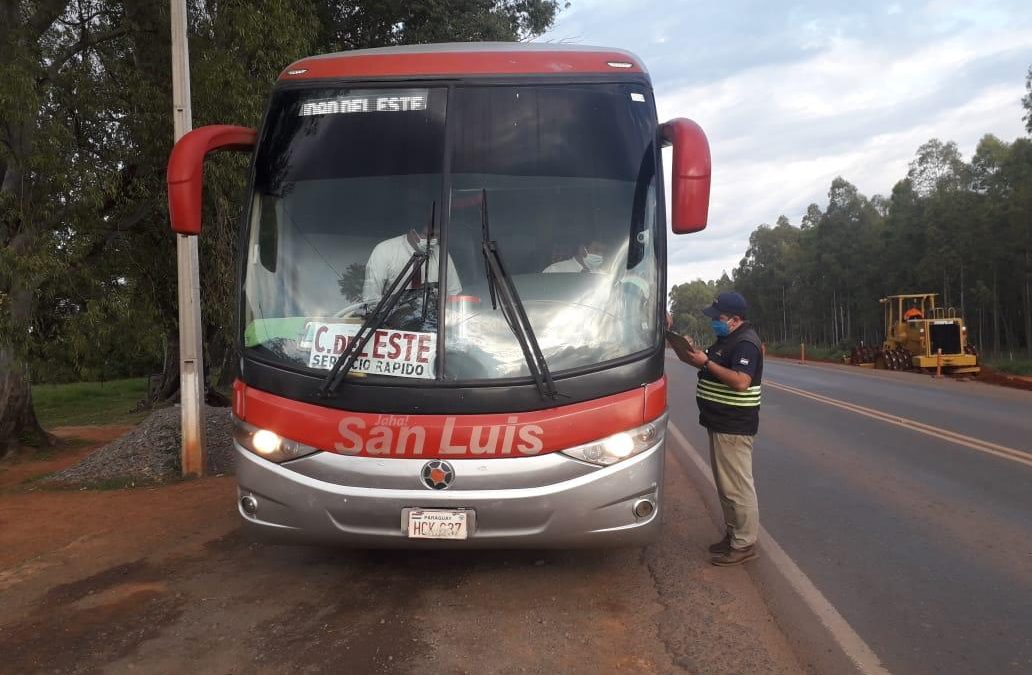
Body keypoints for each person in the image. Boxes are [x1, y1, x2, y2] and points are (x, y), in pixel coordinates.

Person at [670, 291, 763, 566]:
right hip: (719, 421)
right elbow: (703, 364)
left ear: (734, 319)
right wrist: (683, 348)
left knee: (737, 487)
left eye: (718, 318)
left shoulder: (746, 343)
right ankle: (734, 535)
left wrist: (707, 362)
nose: (714, 323)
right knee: (726, 486)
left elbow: (741, 382)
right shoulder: (727, 339)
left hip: (734, 425)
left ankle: (745, 543)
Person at [362, 227, 462, 301]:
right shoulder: (384, 251)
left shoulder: (441, 254)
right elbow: (371, 300)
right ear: (413, 232)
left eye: (437, 235)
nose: (434, 240)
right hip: (391, 323)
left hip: (433, 324)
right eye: (428, 235)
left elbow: (453, 294)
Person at [543, 240, 608, 273]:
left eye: (604, 252)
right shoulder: (555, 270)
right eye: (597, 250)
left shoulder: (603, 276)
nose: (601, 255)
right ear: (582, 249)